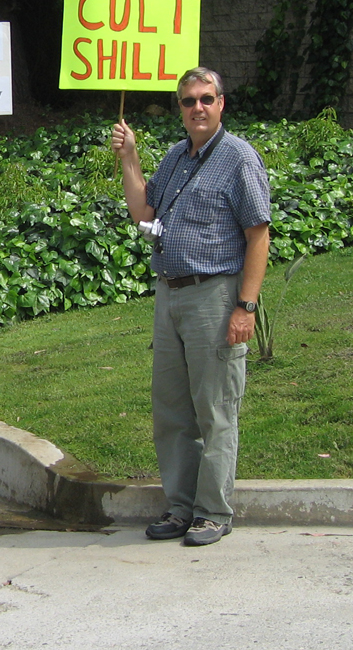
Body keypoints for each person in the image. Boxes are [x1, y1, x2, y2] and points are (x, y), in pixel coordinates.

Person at [111, 66, 271, 547]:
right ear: (179, 108)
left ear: (222, 103)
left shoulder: (240, 158)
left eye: (206, 98)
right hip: (170, 293)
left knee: (216, 409)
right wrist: (130, 157)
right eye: (188, 101)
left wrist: (245, 306)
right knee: (172, 409)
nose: (197, 108)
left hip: (215, 295)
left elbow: (258, 234)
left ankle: (213, 512)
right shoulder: (178, 155)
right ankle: (181, 507)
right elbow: (144, 212)